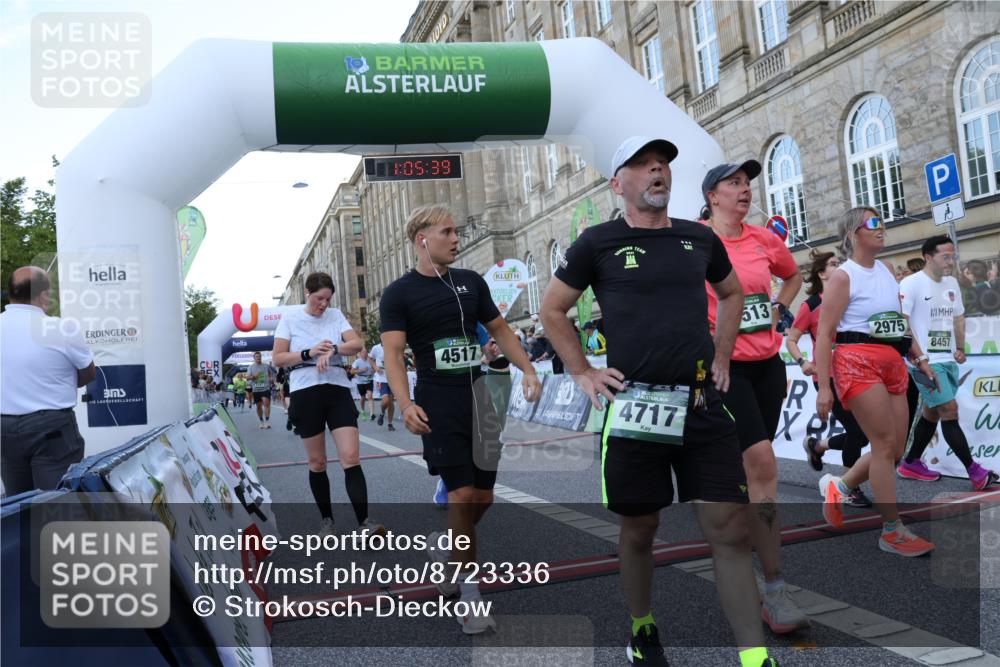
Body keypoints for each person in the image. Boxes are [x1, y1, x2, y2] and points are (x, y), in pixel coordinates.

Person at [541, 137, 777, 667]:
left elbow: (734, 292)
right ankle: (642, 626)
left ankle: (754, 656)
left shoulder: (698, 238)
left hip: (701, 404)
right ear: (617, 182)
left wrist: (723, 355)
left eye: (664, 164)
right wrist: (582, 372)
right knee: (641, 526)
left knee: (730, 527)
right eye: (644, 165)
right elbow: (553, 310)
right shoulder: (596, 243)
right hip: (634, 408)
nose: (658, 172)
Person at [380, 204, 542, 635]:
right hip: (437, 401)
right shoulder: (399, 293)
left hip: (479, 399)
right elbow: (394, 354)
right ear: (422, 239)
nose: (457, 238)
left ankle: (446, 551)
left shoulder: (471, 282)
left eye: (456, 231)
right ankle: (470, 598)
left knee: (483, 499)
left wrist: (527, 368)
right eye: (448, 232)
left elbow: (502, 330)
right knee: (462, 495)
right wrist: (405, 401)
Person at [702, 160, 809, 634]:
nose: (745, 189)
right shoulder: (696, 240)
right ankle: (776, 590)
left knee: (754, 475)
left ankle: (752, 556)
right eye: (734, 183)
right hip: (726, 369)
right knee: (764, 462)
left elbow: (793, 276)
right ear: (713, 196)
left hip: (768, 367)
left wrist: (779, 309)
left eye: (748, 183)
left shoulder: (765, 238)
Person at [815, 208, 937, 556]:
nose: (881, 227)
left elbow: (899, 321)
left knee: (894, 449)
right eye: (872, 223)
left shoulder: (885, 270)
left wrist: (920, 356)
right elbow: (824, 333)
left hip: (893, 362)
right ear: (854, 233)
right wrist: (825, 387)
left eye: (881, 221)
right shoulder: (843, 276)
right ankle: (891, 531)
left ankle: (840, 486)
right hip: (857, 361)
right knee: (883, 444)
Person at [272, 272, 384, 536]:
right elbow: (278, 358)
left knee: (350, 457)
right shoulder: (290, 317)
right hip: (305, 391)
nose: (323, 304)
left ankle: (364, 523)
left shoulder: (335, 315)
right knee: (317, 462)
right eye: (319, 299)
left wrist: (333, 348)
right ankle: (327, 521)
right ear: (307, 293)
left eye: (327, 299)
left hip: (337, 390)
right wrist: (309, 353)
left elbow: (357, 343)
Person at [898, 236, 998, 489]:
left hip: (947, 359)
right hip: (924, 362)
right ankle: (976, 472)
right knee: (949, 410)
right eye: (945, 256)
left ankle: (910, 463)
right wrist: (919, 358)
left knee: (932, 413)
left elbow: (959, 318)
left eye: (952, 256)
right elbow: (903, 322)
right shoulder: (911, 283)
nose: (951, 261)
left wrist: (961, 347)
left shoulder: (952, 282)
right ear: (927, 257)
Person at [786, 251, 873, 507]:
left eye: (840, 263)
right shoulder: (812, 304)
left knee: (865, 435)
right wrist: (803, 362)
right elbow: (792, 339)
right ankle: (848, 486)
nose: (839, 267)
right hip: (828, 377)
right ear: (822, 273)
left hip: (856, 373)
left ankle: (819, 446)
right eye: (834, 264)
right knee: (858, 432)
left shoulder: (851, 298)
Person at [1, 266, 96, 495]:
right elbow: (88, 373)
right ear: (42, 295)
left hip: (4, 427)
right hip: (52, 428)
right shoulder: (61, 328)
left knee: (16, 505)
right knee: (57, 504)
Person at [369, 341, 395, 431]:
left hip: (392, 377)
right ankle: (382, 413)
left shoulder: (393, 345)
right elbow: (370, 359)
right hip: (381, 378)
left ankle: (390, 424)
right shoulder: (376, 348)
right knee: (386, 400)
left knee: (391, 402)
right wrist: (375, 367)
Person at [247, 352, 273, 429]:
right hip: (256, 389)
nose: (258, 357)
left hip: (265, 388)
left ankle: (267, 422)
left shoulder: (266, 366)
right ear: (254, 358)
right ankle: (261, 422)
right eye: (257, 356)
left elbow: (271, 374)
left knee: (266, 403)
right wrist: (254, 376)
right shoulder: (251, 367)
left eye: (259, 356)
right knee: (258, 406)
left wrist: (271, 379)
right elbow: (247, 377)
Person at [350, 348, 376, 421]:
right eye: (364, 352)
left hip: (369, 380)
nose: (365, 354)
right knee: (363, 397)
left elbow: (374, 369)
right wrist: (361, 370)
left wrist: (373, 372)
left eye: (366, 352)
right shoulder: (357, 362)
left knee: (370, 396)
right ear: (360, 354)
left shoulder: (370, 361)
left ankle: (372, 414)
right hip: (360, 381)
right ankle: (362, 410)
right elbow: (352, 372)